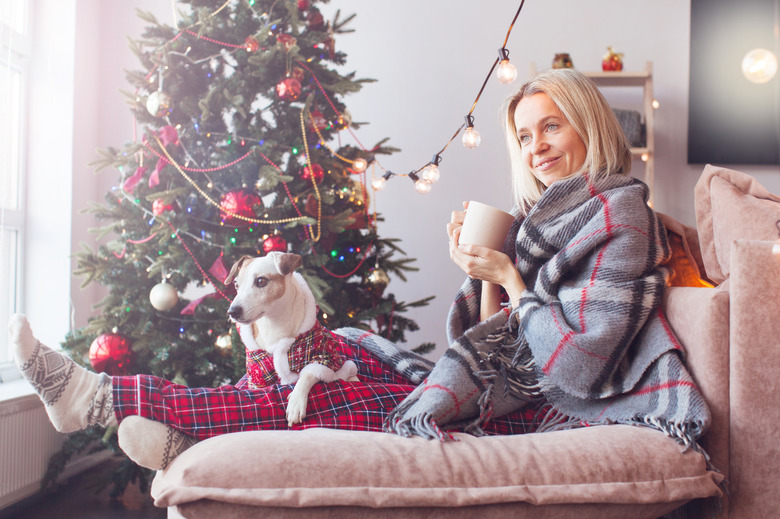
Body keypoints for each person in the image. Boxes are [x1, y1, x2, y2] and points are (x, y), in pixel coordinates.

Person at [8, 68, 710, 470]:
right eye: (525, 135)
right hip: (511, 394)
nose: (535, 147)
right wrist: (484, 272)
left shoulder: (622, 217)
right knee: (343, 351)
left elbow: (574, 365)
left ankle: (105, 399)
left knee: (333, 397)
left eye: (551, 127)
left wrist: (508, 273)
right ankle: (175, 423)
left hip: (557, 410)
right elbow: (505, 337)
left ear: (591, 123)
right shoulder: (542, 223)